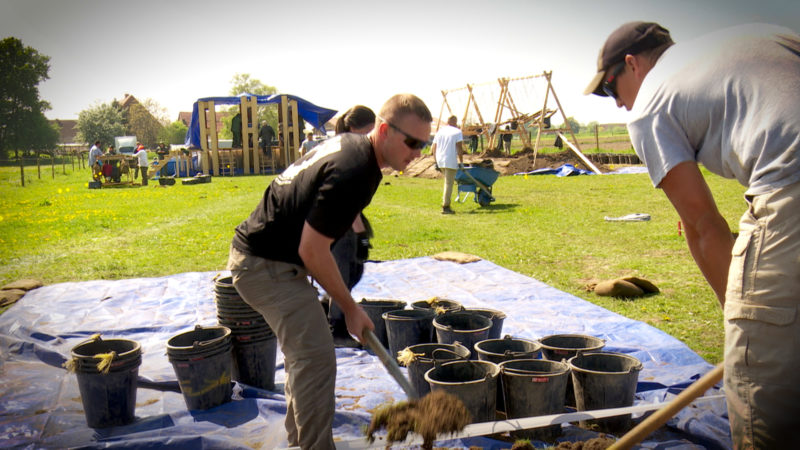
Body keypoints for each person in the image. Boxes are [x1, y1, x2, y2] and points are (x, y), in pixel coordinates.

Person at [585, 21, 800, 448]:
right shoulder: (752, 36)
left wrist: (745, 331)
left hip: (790, 184)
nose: (619, 106)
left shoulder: (650, 102)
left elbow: (704, 227)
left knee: (763, 398)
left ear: (631, 64)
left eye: (611, 90)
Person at [227, 94, 432, 449]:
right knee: (317, 358)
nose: (418, 152)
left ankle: (299, 441)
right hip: (264, 266)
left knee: (307, 356)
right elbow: (312, 250)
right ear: (384, 130)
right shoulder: (356, 170)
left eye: (424, 144)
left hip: (272, 260)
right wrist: (350, 309)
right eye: (413, 142)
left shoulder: (354, 149)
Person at [327, 105, 377, 346]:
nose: (369, 138)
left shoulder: (342, 147)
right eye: (366, 132)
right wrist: (361, 235)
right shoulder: (347, 153)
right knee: (344, 274)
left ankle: (328, 308)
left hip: (332, 221)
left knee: (347, 273)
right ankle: (337, 329)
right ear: (353, 128)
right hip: (335, 223)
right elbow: (346, 202)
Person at [431, 115, 464, 214]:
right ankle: (446, 206)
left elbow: (434, 147)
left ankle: (446, 203)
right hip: (450, 160)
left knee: (447, 181)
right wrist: (461, 162)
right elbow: (459, 148)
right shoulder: (457, 132)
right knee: (449, 183)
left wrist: (436, 161)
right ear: (455, 122)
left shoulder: (440, 132)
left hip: (440, 160)